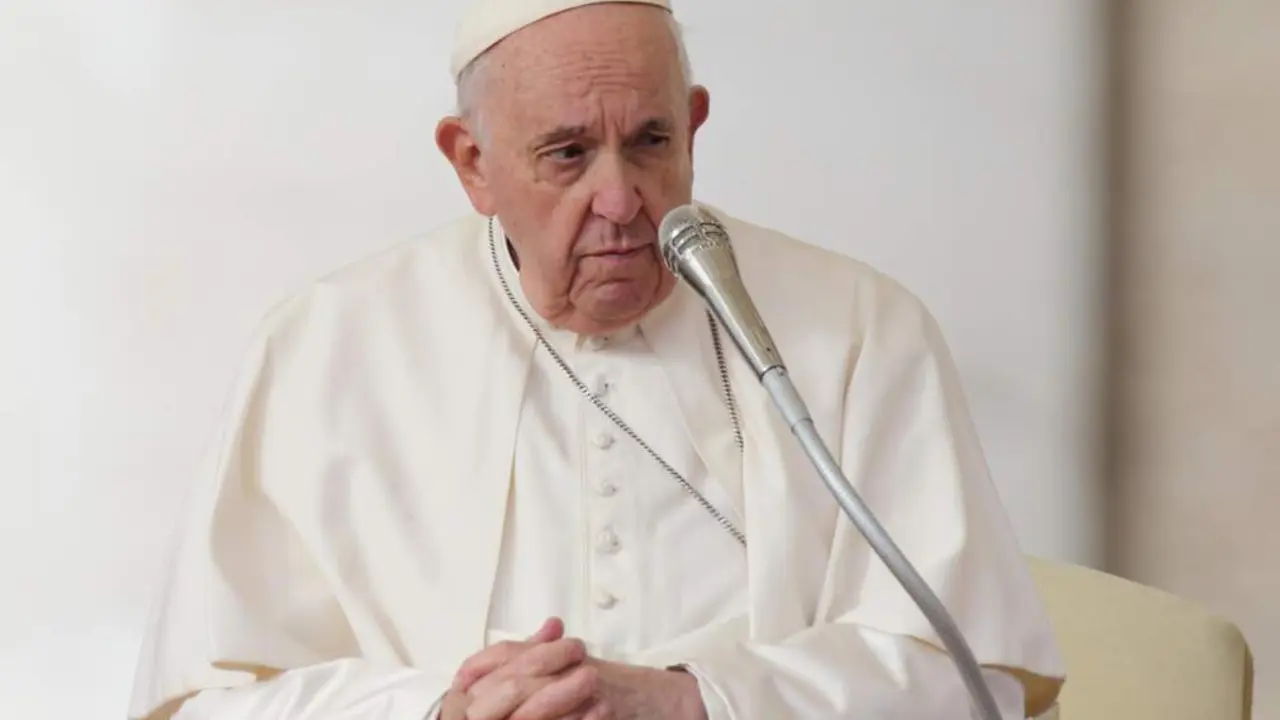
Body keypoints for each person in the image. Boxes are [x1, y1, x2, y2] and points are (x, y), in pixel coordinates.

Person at [127, 0, 1066, 718]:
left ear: (694, 127)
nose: (621, 200)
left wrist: (696, 700)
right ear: (471, 163)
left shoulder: (859, 327)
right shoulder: (325, 349)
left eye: (650, 142)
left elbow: (975, 677)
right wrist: (440, 710)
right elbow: (206, 701)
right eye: (567, 155)